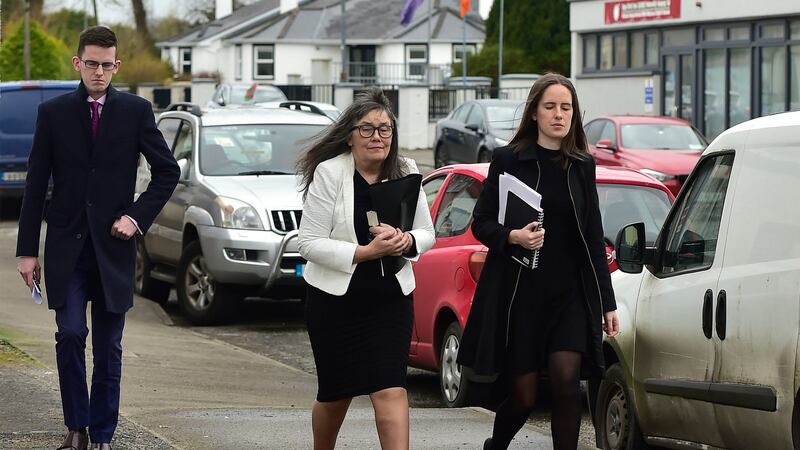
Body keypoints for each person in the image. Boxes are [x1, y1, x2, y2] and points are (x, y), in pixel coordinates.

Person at [15, 26, 179, 450]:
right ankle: (76, 428)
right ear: (78, 63)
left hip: (114, 249)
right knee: (70, 334)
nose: (99, 72)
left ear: (117, 66)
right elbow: (35, 185)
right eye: (92, 63)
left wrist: (135, 218)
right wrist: (27, 251)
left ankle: (103, 434)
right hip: (67, 247)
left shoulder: (136, 111)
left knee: (108, 348)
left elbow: (168, 172)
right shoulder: (52, 114)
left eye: (107, 65)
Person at [457, 73, 620, 450]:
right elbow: (480, 223)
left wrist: (607, 303)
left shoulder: (581, 165)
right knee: (526, 396)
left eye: (566, 108)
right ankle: (495, 445)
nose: (559, 115)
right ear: (534, 113)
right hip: (522, 296)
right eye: (550, 107)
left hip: (570, 297)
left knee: (566, 383)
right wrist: (512, 236)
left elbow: (593, 239)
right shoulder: (508, 160)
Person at [297, 87, 435, 450]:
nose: (378, 136)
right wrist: (364, 252)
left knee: (390, 388)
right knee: (335, 394)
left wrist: (406, 242)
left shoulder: (406, 169)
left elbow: (427, 232)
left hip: (390, 299)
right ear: (350, 135)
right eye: (368, 129)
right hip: (334, 301)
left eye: (385, 129)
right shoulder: (330, 172)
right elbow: (307, 243)